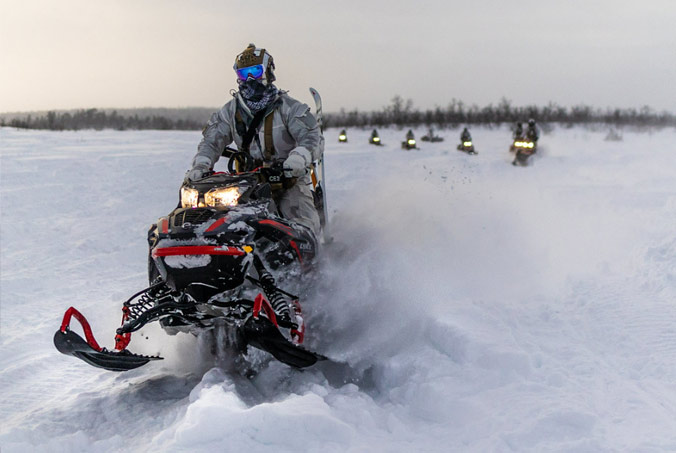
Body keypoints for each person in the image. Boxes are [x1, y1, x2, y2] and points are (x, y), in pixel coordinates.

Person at [186, 43, 323, 236]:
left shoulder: (290, 108)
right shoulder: (229, 112)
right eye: (244, 74)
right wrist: (201, 165)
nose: (250, 79)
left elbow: (311, 137)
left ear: (268, 71)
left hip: (287, 181)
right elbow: (211, 142)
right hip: (246, 184)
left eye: (255, 71)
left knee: (304, 227)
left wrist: (298, 159)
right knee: (220, 224)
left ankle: (307, 259)